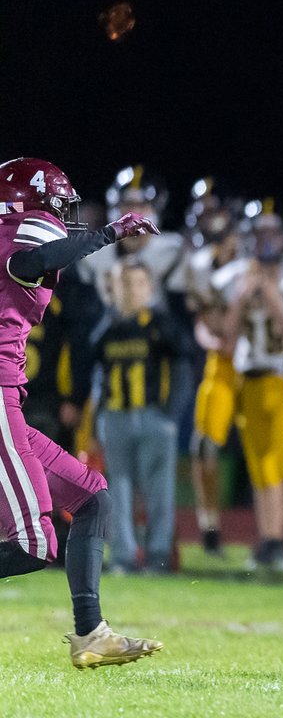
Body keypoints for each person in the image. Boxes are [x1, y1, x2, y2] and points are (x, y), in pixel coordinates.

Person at [0, 157, 161, 668]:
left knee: (93, 499)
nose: (64, 216)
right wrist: (109, 232)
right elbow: (28, 262)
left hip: (11, 400)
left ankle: (91, 633)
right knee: (31, 545)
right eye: (58, 206)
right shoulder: (15, 240)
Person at [214, 205, 283, 572]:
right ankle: (272, 540)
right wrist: (240, 298)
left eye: (271, 234)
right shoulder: (237, 278)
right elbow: (228, 337)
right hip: (249, 379)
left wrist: (268, 293)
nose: (265, 242)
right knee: (260, 465)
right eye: (259, 234)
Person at [81, 262, 192, 573]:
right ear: (113, 287)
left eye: (137, 283)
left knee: (159, 490)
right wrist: (93, 422)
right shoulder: (106, 327)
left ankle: (157, 556)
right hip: (115, 417)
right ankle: (123, 556)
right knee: (117, 490)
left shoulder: (160, 324)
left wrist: (171, 414)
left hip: (153, 416)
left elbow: (183, 366)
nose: (130, 290)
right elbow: (95, 375)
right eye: (124, 283)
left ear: (149, 288)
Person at [183, 182, 241, 557]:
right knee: (203, 445)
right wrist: (213, 335)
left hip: (263, 365)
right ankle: (210, 525)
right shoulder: (199, 265)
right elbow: (206, 321)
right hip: (221, 364)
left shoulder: (253, 258)